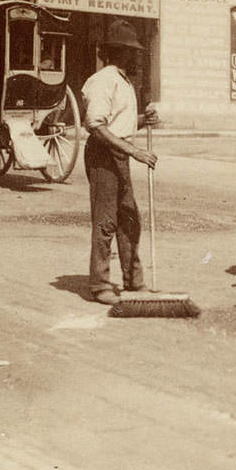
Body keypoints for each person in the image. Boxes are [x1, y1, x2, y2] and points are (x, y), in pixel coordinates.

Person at [81, 19, 158, 305]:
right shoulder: (103, 80)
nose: (137, 56)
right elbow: (96, 126)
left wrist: (141, 120)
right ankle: (100, 284)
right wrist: (134, 151)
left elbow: (117, 122)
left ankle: (133, 279)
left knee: (129, 218)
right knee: (106, 221)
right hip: (103, 154)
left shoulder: (124, 81)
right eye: (132, 51)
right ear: (119, 52)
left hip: (119, 152)